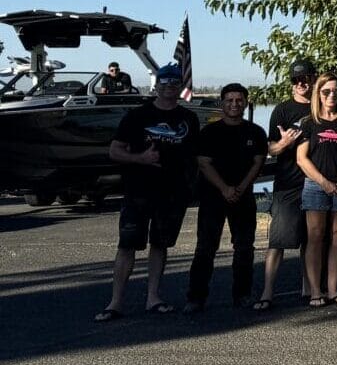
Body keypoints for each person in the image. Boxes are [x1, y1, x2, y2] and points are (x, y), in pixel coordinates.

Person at [95, 64, 200, 321]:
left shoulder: (189, 119)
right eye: (164, 83)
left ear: (180, 87)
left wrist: (191, 188)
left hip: (172, 192)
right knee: (128, 244)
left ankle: (153, 297)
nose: (168, 88)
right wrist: (141, 158)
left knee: (160, 244)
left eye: (174, 84)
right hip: (138, 191)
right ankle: (115, 302)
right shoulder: (137, 116)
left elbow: (194, 157)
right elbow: (114, 151)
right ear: (156, 85)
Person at [184, 83, 266, 313]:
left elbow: (258, 162)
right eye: (229, 100)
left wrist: (239, 187)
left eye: (239, 100)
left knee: (244, 248)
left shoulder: (255, 132)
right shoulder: (210, 132)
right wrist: (224, 188)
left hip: (243, 196)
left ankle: (242, 294)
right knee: (205, 248)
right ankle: (196, 297)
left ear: (245, 103)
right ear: (222, 103)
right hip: (213, 196)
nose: (234, 104)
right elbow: (203, 162)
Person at [296, 73, 337, 306]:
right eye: (326, 91)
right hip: (316, 186)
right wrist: (323, 182)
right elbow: (302, 159)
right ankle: (316, 291)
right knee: (315, 237)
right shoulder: (309, 123)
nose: (331, 95)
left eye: (336, 91)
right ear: (318, 93)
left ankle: (333, 289)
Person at [254, 59, 316, 310]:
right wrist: (284, 144)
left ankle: (310, 289)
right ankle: (267, 293)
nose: (301, 83)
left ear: (313, 78)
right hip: (287, 183)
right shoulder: (282, 110)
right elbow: (271, 148)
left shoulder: (321, 107)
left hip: (316, 183)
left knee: (311, 240)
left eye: (305, 78)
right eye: (296, 80)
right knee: (278, 240)